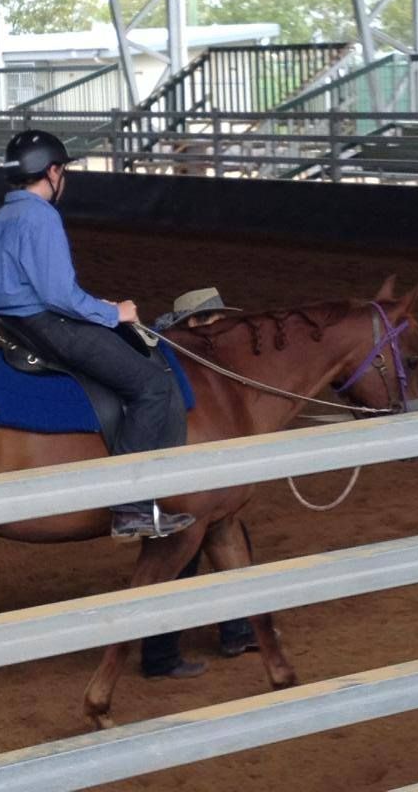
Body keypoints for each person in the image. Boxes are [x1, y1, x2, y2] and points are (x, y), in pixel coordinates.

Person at [0, 129, 196, 542]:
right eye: (64, 171)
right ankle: (130, 507)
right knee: (151, 384)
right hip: (50, 326)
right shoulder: (40, 216)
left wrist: (95, 307)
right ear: (53, 171)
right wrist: (114, 313)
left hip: (16, 329)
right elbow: (59, 295)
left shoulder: (1, 217)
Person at [140, 288, 258, 679]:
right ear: (194, 324)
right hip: (177, 481)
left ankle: (238, 628)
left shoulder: (197, 364)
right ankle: (161, 653)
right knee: (184, 547)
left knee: (226, 528)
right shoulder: (172, 364)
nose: (221, 329)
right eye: (212, 320)